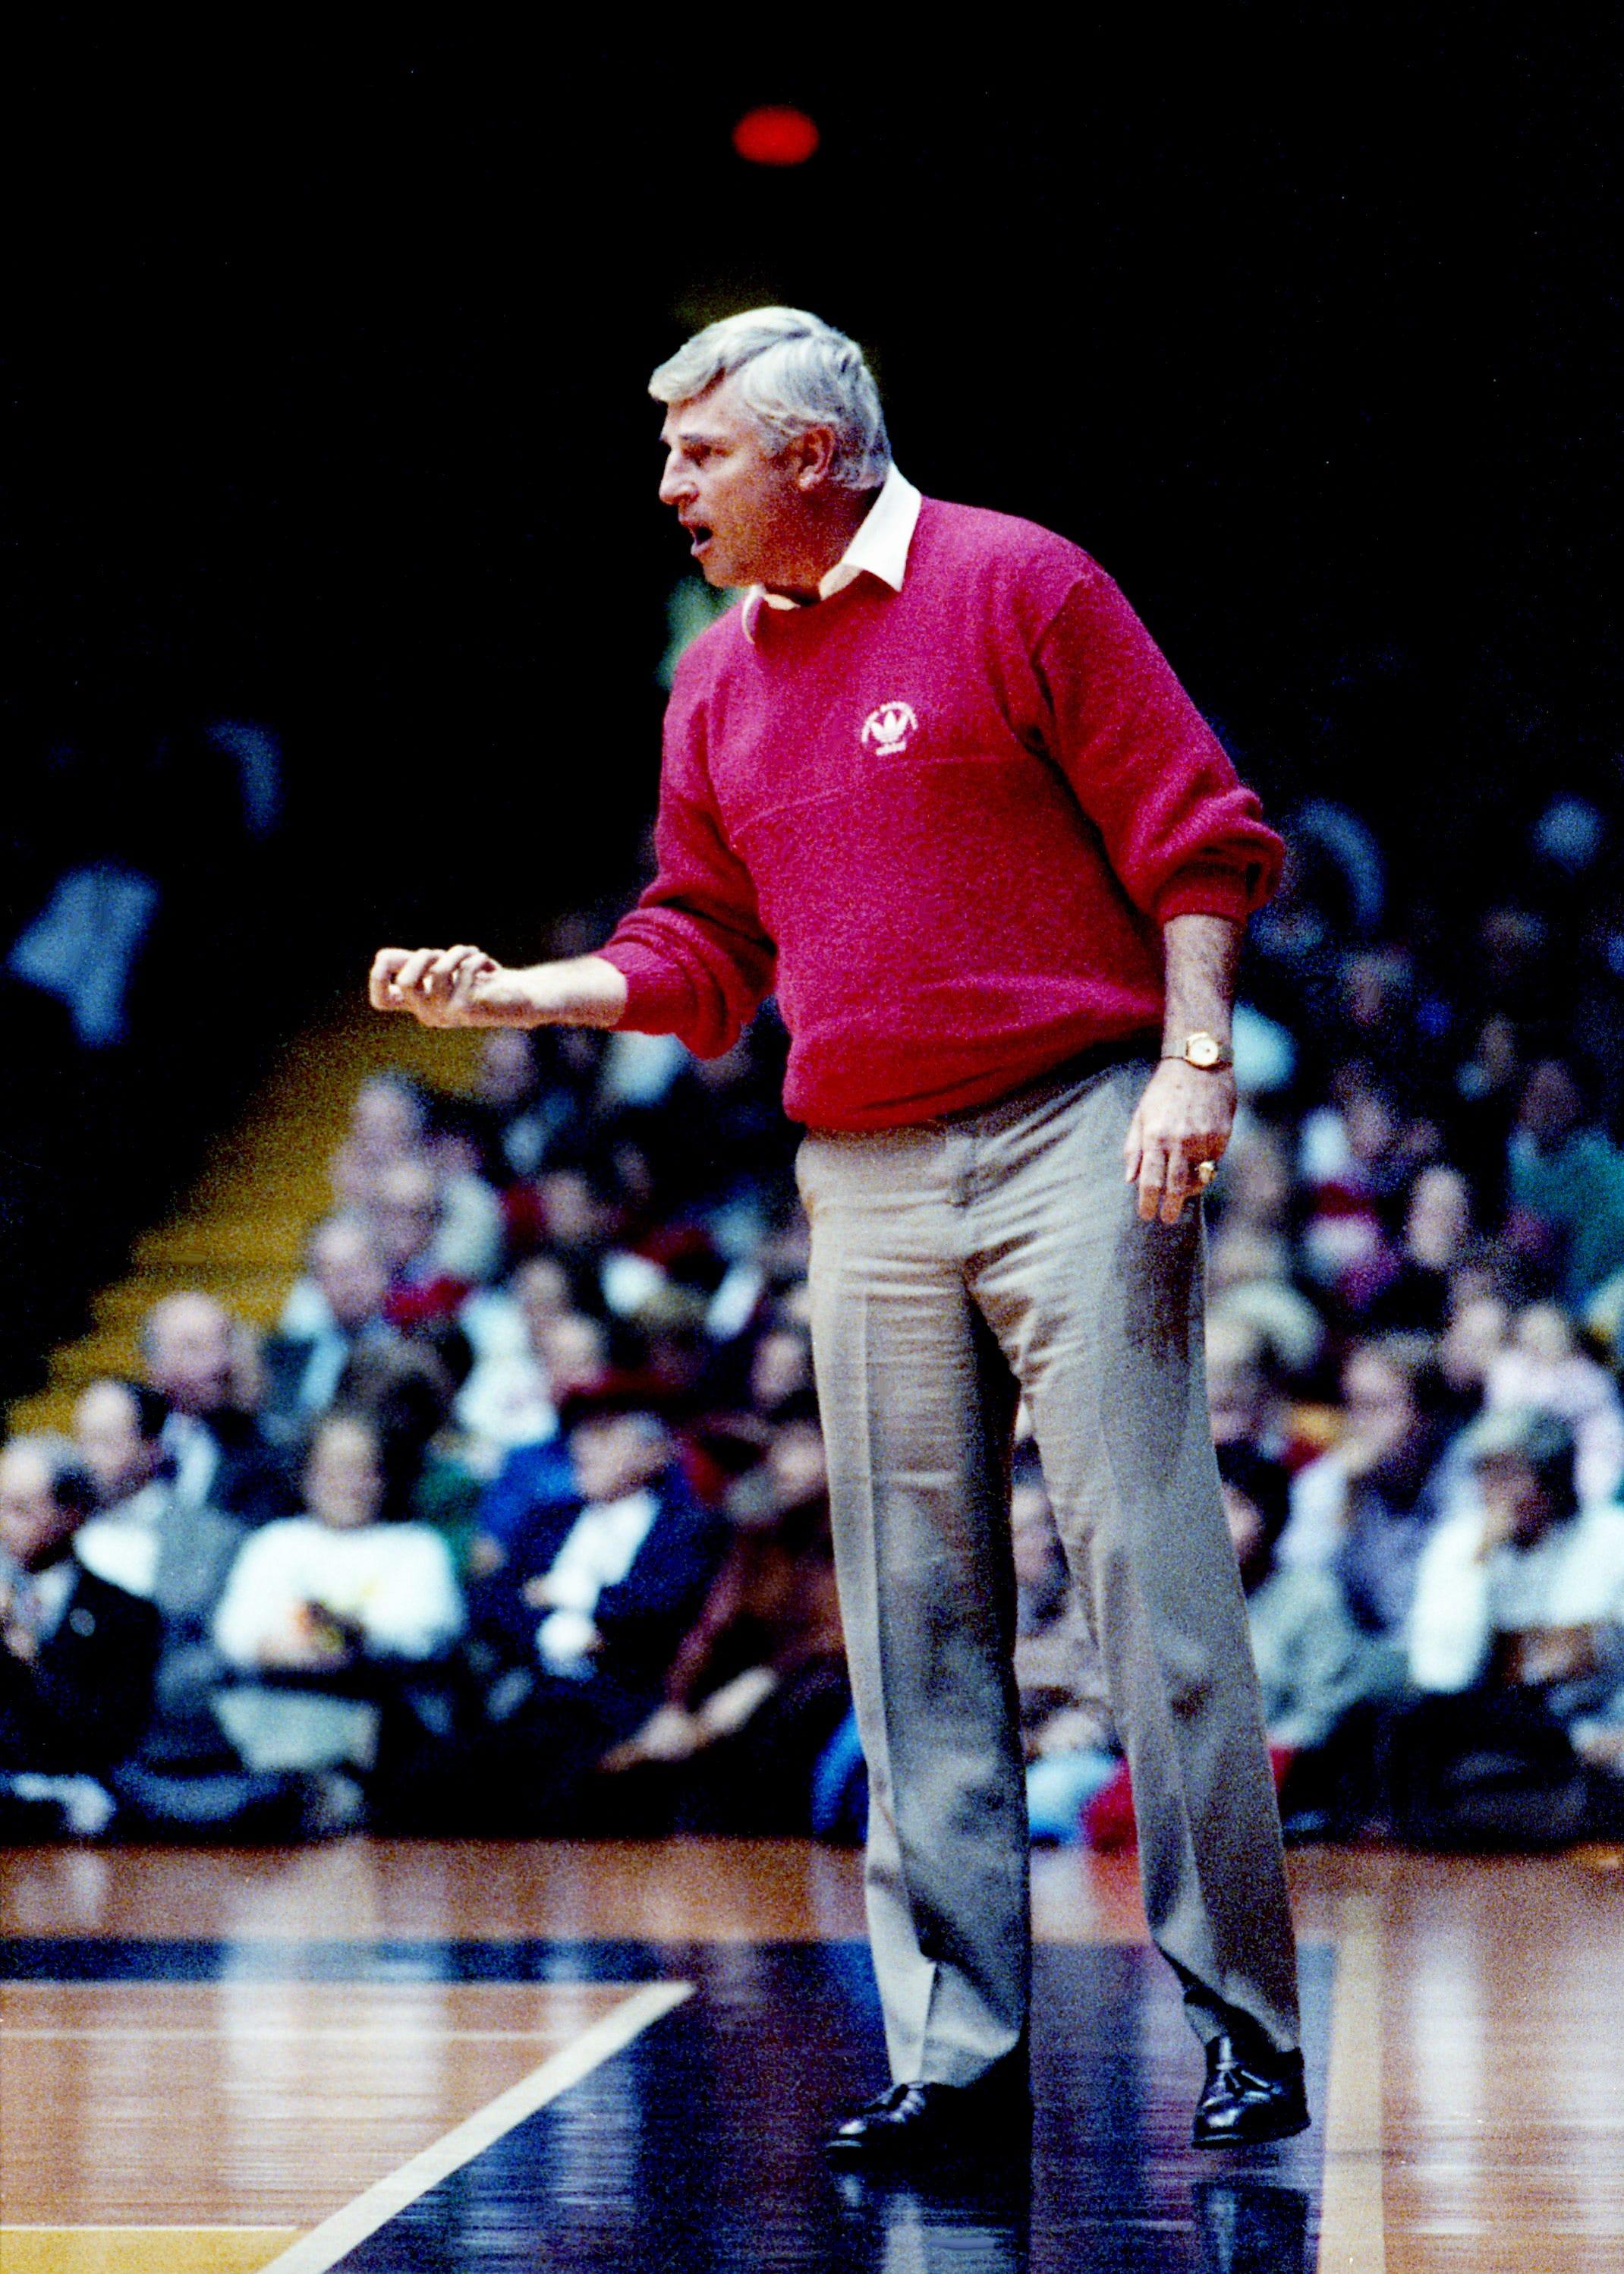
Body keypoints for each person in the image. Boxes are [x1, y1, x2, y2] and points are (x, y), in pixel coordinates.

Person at [370, 307, 1303, 2156]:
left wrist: (1194, 1061)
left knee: (1152, 1585)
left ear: (812, 457)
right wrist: (516, 997)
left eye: (695, 457)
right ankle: (959, 2056)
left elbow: (1197, 838)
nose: (666, 491)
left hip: (1078, 1128)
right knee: (907, 1619)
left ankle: (1245, 2022)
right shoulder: (713, 677)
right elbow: (698, 951)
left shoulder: (1017, 583)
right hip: (857, 1170)